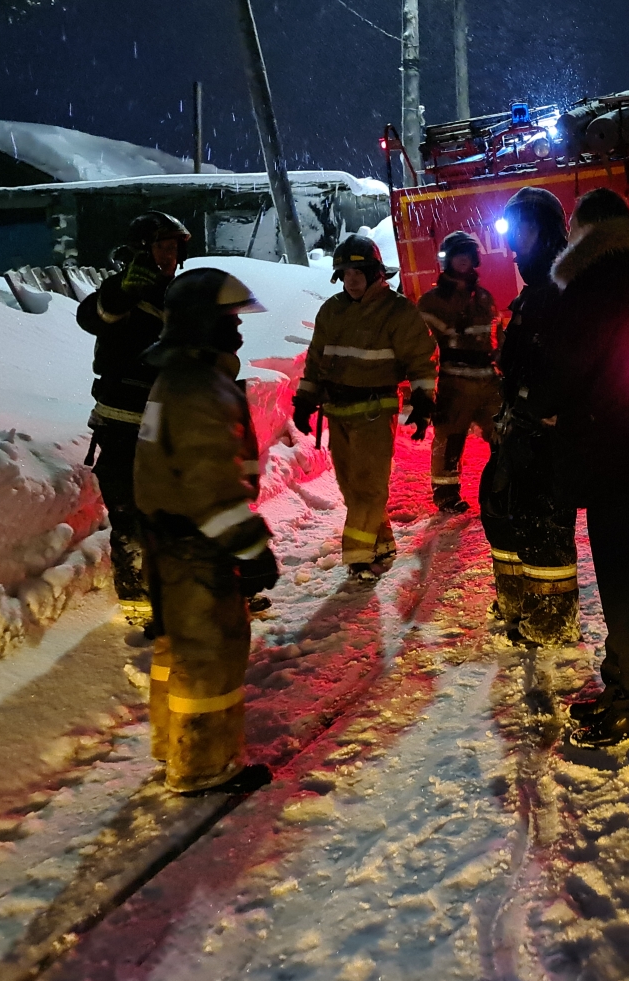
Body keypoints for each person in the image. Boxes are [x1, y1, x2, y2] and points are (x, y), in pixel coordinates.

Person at [535, 188, 629, 747]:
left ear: (587, 230)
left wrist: (540, 398)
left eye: (572, 228)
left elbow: (564, 373)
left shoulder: (594, 288)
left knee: (623, 585)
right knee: (626, 578)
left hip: (611, 456)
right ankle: (624, 690)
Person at [134, 267, 279, 793]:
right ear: (201, 323)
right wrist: (250, 546)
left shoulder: (175, 378)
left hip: (172, 541)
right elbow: (209, 483)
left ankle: (172, 745)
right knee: (211, 655)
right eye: (228, 320)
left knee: (179, 650)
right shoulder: (199, 389)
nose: (237, 331)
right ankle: (204, 765)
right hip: (198, 545)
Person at [292, 234, 438, 581]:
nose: (351, 280)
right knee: (351, 488)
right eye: (344, 274)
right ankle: (382, 542)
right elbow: (315, 362)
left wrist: (423, 402)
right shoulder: (332, 310)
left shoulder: (398, 311)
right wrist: (304, 400)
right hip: (338, 412)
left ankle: (357, 558)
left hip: (375, 411)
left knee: (369, 487)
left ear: (375, 273)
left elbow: (421, 359)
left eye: (358, 273)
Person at [76, 211, 189, 622]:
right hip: (123, 420)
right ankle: (139, 603)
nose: (169, 254)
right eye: (161, 246)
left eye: (174, 247)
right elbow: (92, 316)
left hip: (169, 421)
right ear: (142, 250)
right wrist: (122, 294)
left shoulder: (180, 295)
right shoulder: (119, 292)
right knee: (128, 513)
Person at [479, 187, 580, 646]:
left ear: (548, 232)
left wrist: (535, 412)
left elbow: (563, 370)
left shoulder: (564, 293)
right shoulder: (533, 297)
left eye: (524, 230)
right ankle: (517, 600)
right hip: (518, 431)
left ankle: (553, 621)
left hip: (545, 435)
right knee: (501, 508)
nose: (516, 244)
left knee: (542, 525)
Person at [416, 230, 501, 513]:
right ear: (448, 260)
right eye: (457, 256)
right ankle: (446, 495)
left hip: (488, 381)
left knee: (503, 435)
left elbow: (497, 339)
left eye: (467, 255)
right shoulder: (432, 302)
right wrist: (425, 392)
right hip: (454, 383)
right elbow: (421, 349)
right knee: (450, 439)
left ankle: (505, 487)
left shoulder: (485, 298)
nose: (462, 261)